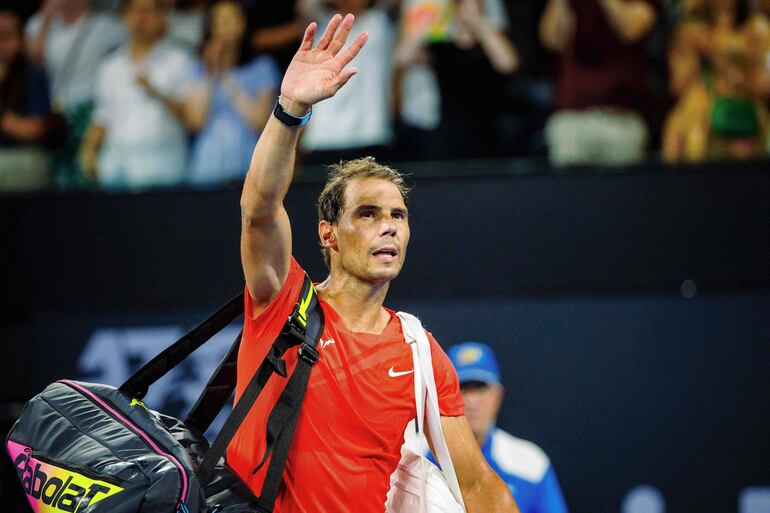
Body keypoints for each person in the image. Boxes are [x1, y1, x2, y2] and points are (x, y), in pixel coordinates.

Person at [230, 12, 519, 513]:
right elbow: (258, 211)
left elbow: (477, 487)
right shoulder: (283, 305)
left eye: (398, 215)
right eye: (367, 214)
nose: (389, 226)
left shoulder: (420, 354)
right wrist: (290, 109)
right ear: (329, 234)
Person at [78, 0, 194, 189]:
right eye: (134, 11)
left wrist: (157, 93)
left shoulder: (180, 60)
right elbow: (102, 116)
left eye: (147, 12)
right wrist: (88, 149)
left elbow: (192, 119)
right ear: (125, 16)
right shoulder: (110, 66)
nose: (140, 18)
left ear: (160, 17)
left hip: (163, 167)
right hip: (117, 168)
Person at [444, 342, 569, 513]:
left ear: (498, 395)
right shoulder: (413, 457)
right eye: (462, 388)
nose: (472, 401)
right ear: (441, 396)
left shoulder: (530, 464)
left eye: (481, 388)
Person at [540, 0, 658, 166]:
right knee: (568, 190)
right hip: (572, 119)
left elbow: (631, 29)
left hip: (621, 120)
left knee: (624, 189)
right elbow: (552, 40)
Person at [186, 0, 280, 185]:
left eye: (230, 19)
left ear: (243, 23)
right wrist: (210, 73)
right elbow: (195, 122)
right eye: (218, 21)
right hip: (207, 163)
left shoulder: (262, 66)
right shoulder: (198, 69)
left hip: (248, 160)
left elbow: (259, 121)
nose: (224, 27)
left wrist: (226, 76)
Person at [0, 7, 53, 192]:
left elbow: (34, 129)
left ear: (21, 40)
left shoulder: (32, 75)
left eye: (5, 36)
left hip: (24, 156)